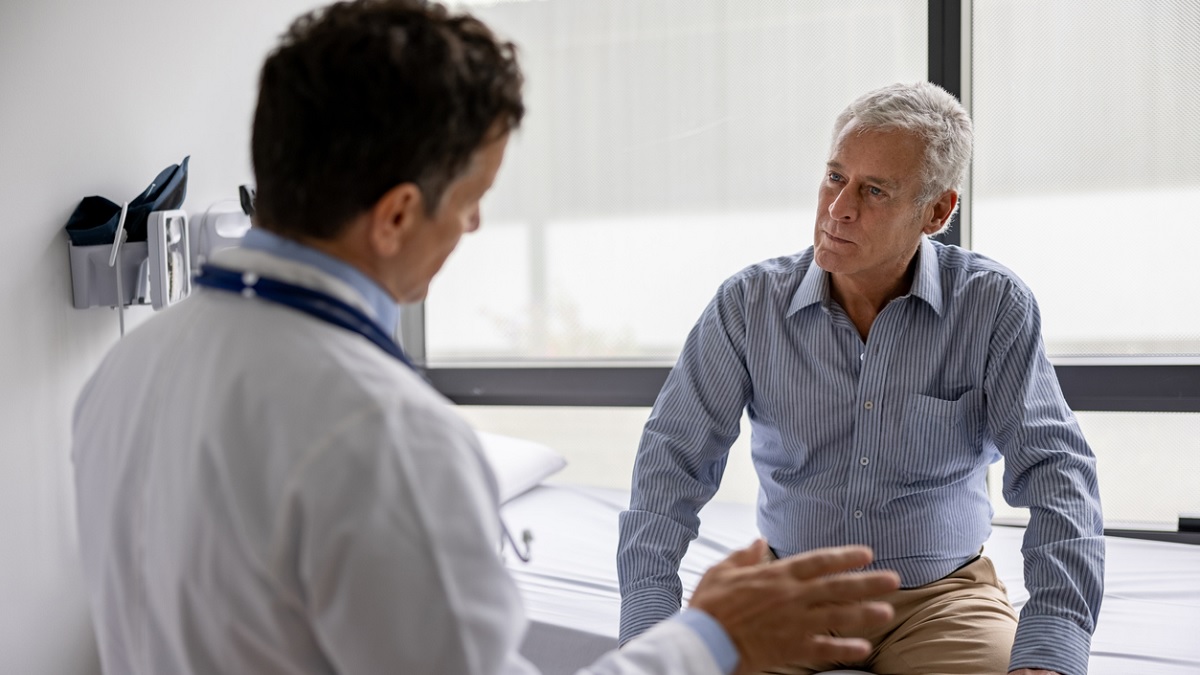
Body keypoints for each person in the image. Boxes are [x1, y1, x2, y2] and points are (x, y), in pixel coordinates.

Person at [70, 2, 901, 674]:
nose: (473, 222)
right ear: (397, 213)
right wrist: (714, 635)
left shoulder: (127, 368)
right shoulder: (385, 433)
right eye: (473, 195)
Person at [616, 81, 1105, 675]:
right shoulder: (747, 305)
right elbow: (671, 463)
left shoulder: (992, 306)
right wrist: (649, 623)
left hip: (942, 600)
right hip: (788, 592)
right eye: (834, 177)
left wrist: (1052, 642)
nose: (839, 207)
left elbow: (1056, 471)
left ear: (937, 212)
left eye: (874, 190)